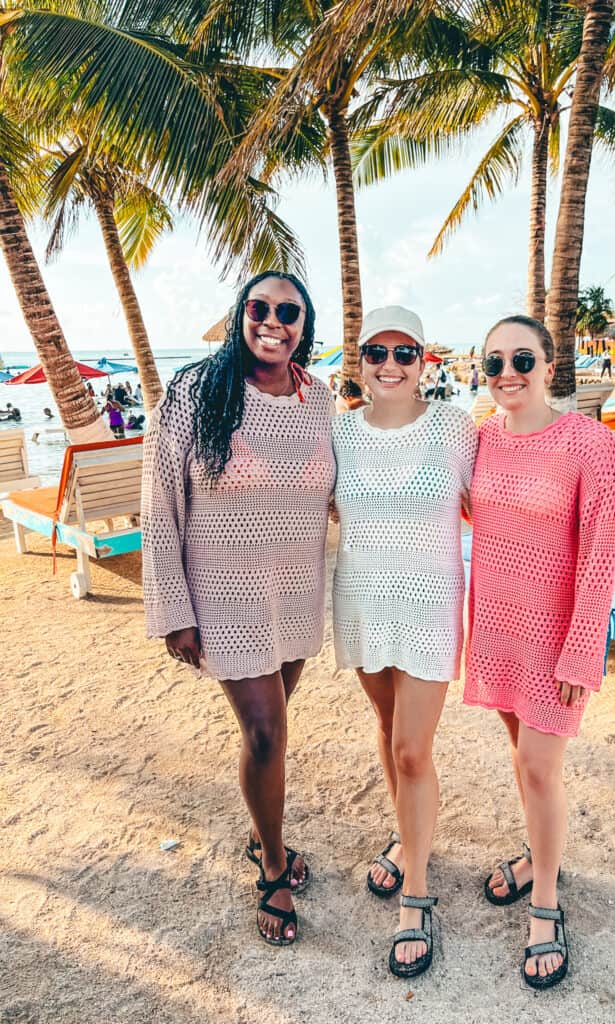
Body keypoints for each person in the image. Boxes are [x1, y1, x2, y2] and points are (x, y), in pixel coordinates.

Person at [141, 271, 335, 948]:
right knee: (264, 734)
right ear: (240, 314)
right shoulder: (196, 392)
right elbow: (161, 501)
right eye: (260, 308)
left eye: (289, 312)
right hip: (224, 597)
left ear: (305, 327)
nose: (273, 320)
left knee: (273, 728)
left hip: (296, 593)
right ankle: (274, 866)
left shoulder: (320, 397)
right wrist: (174, 608)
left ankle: (262, 837)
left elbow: (338, 489)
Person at [464, 314, 615, 990]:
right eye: (494, 361)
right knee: (522, 757)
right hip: (497, 628)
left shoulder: (590, 443)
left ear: (550, 366)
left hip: (558, 634)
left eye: (521, 360)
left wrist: (582, 650)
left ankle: (546, 904)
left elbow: (600, 556)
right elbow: (462, 507)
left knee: (537, 767)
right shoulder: (476, 441)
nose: (507, 374)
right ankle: (537, 855)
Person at [332, 306, 478, 979]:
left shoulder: (454, 427)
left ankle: (415, 896)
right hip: (363, 599)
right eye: (376, 352)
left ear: (426, 362)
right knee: (390, 728)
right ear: (359, 361)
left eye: (405, 353)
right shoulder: (339, 434)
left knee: (413, 749)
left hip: (429, 605)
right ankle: (406, 835)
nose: (389, 365)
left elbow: (492, 501)